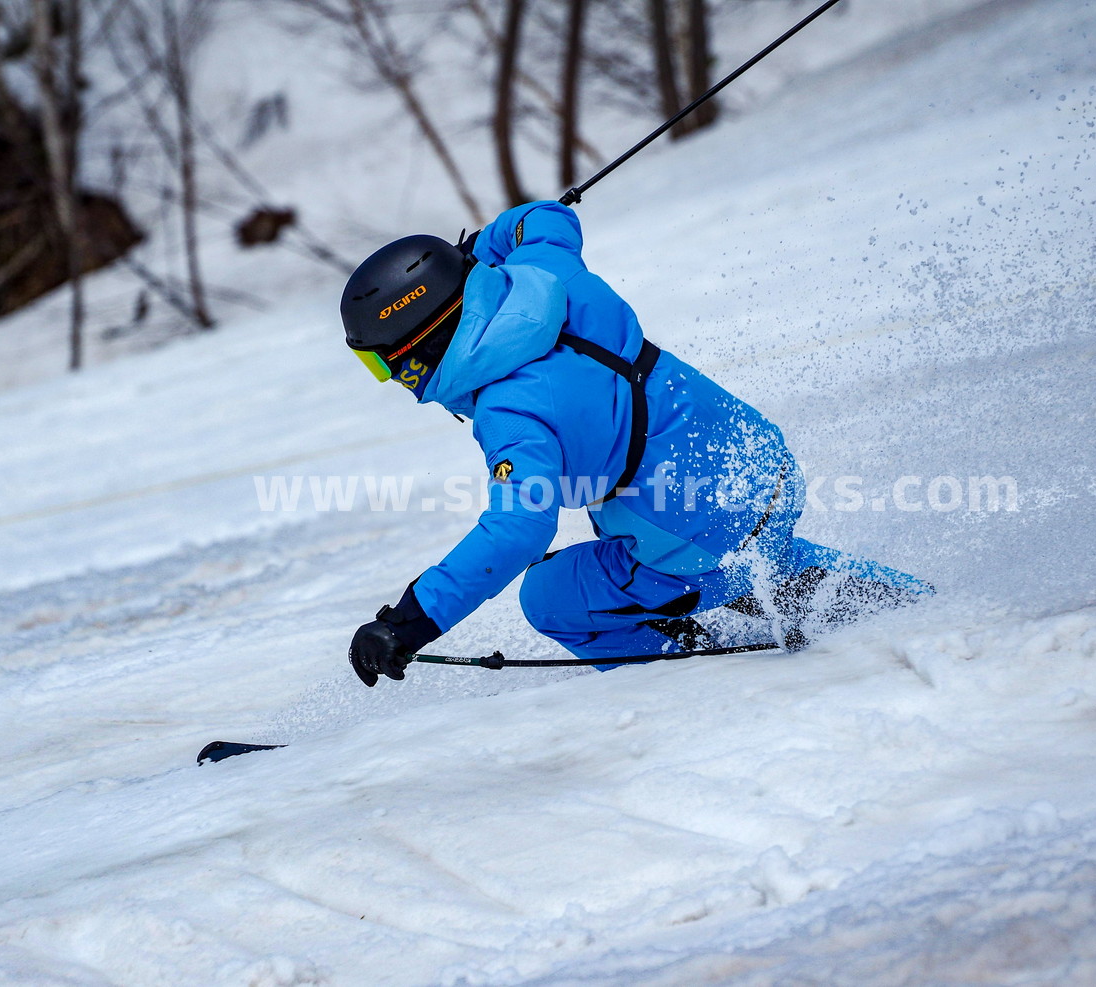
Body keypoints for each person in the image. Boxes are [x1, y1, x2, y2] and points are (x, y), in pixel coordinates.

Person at [342, 200, 932, 686]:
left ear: (415, 347)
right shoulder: (547, 273)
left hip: (693, 532)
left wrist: (412, 622)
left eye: (379, 364)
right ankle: (912, 608)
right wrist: (471, 254)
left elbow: (518, 529)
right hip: (762, 466)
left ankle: (693, 678)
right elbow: (542, 218)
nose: (389, 378)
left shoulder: (510, 410)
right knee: (738, 542)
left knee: (550, 595)